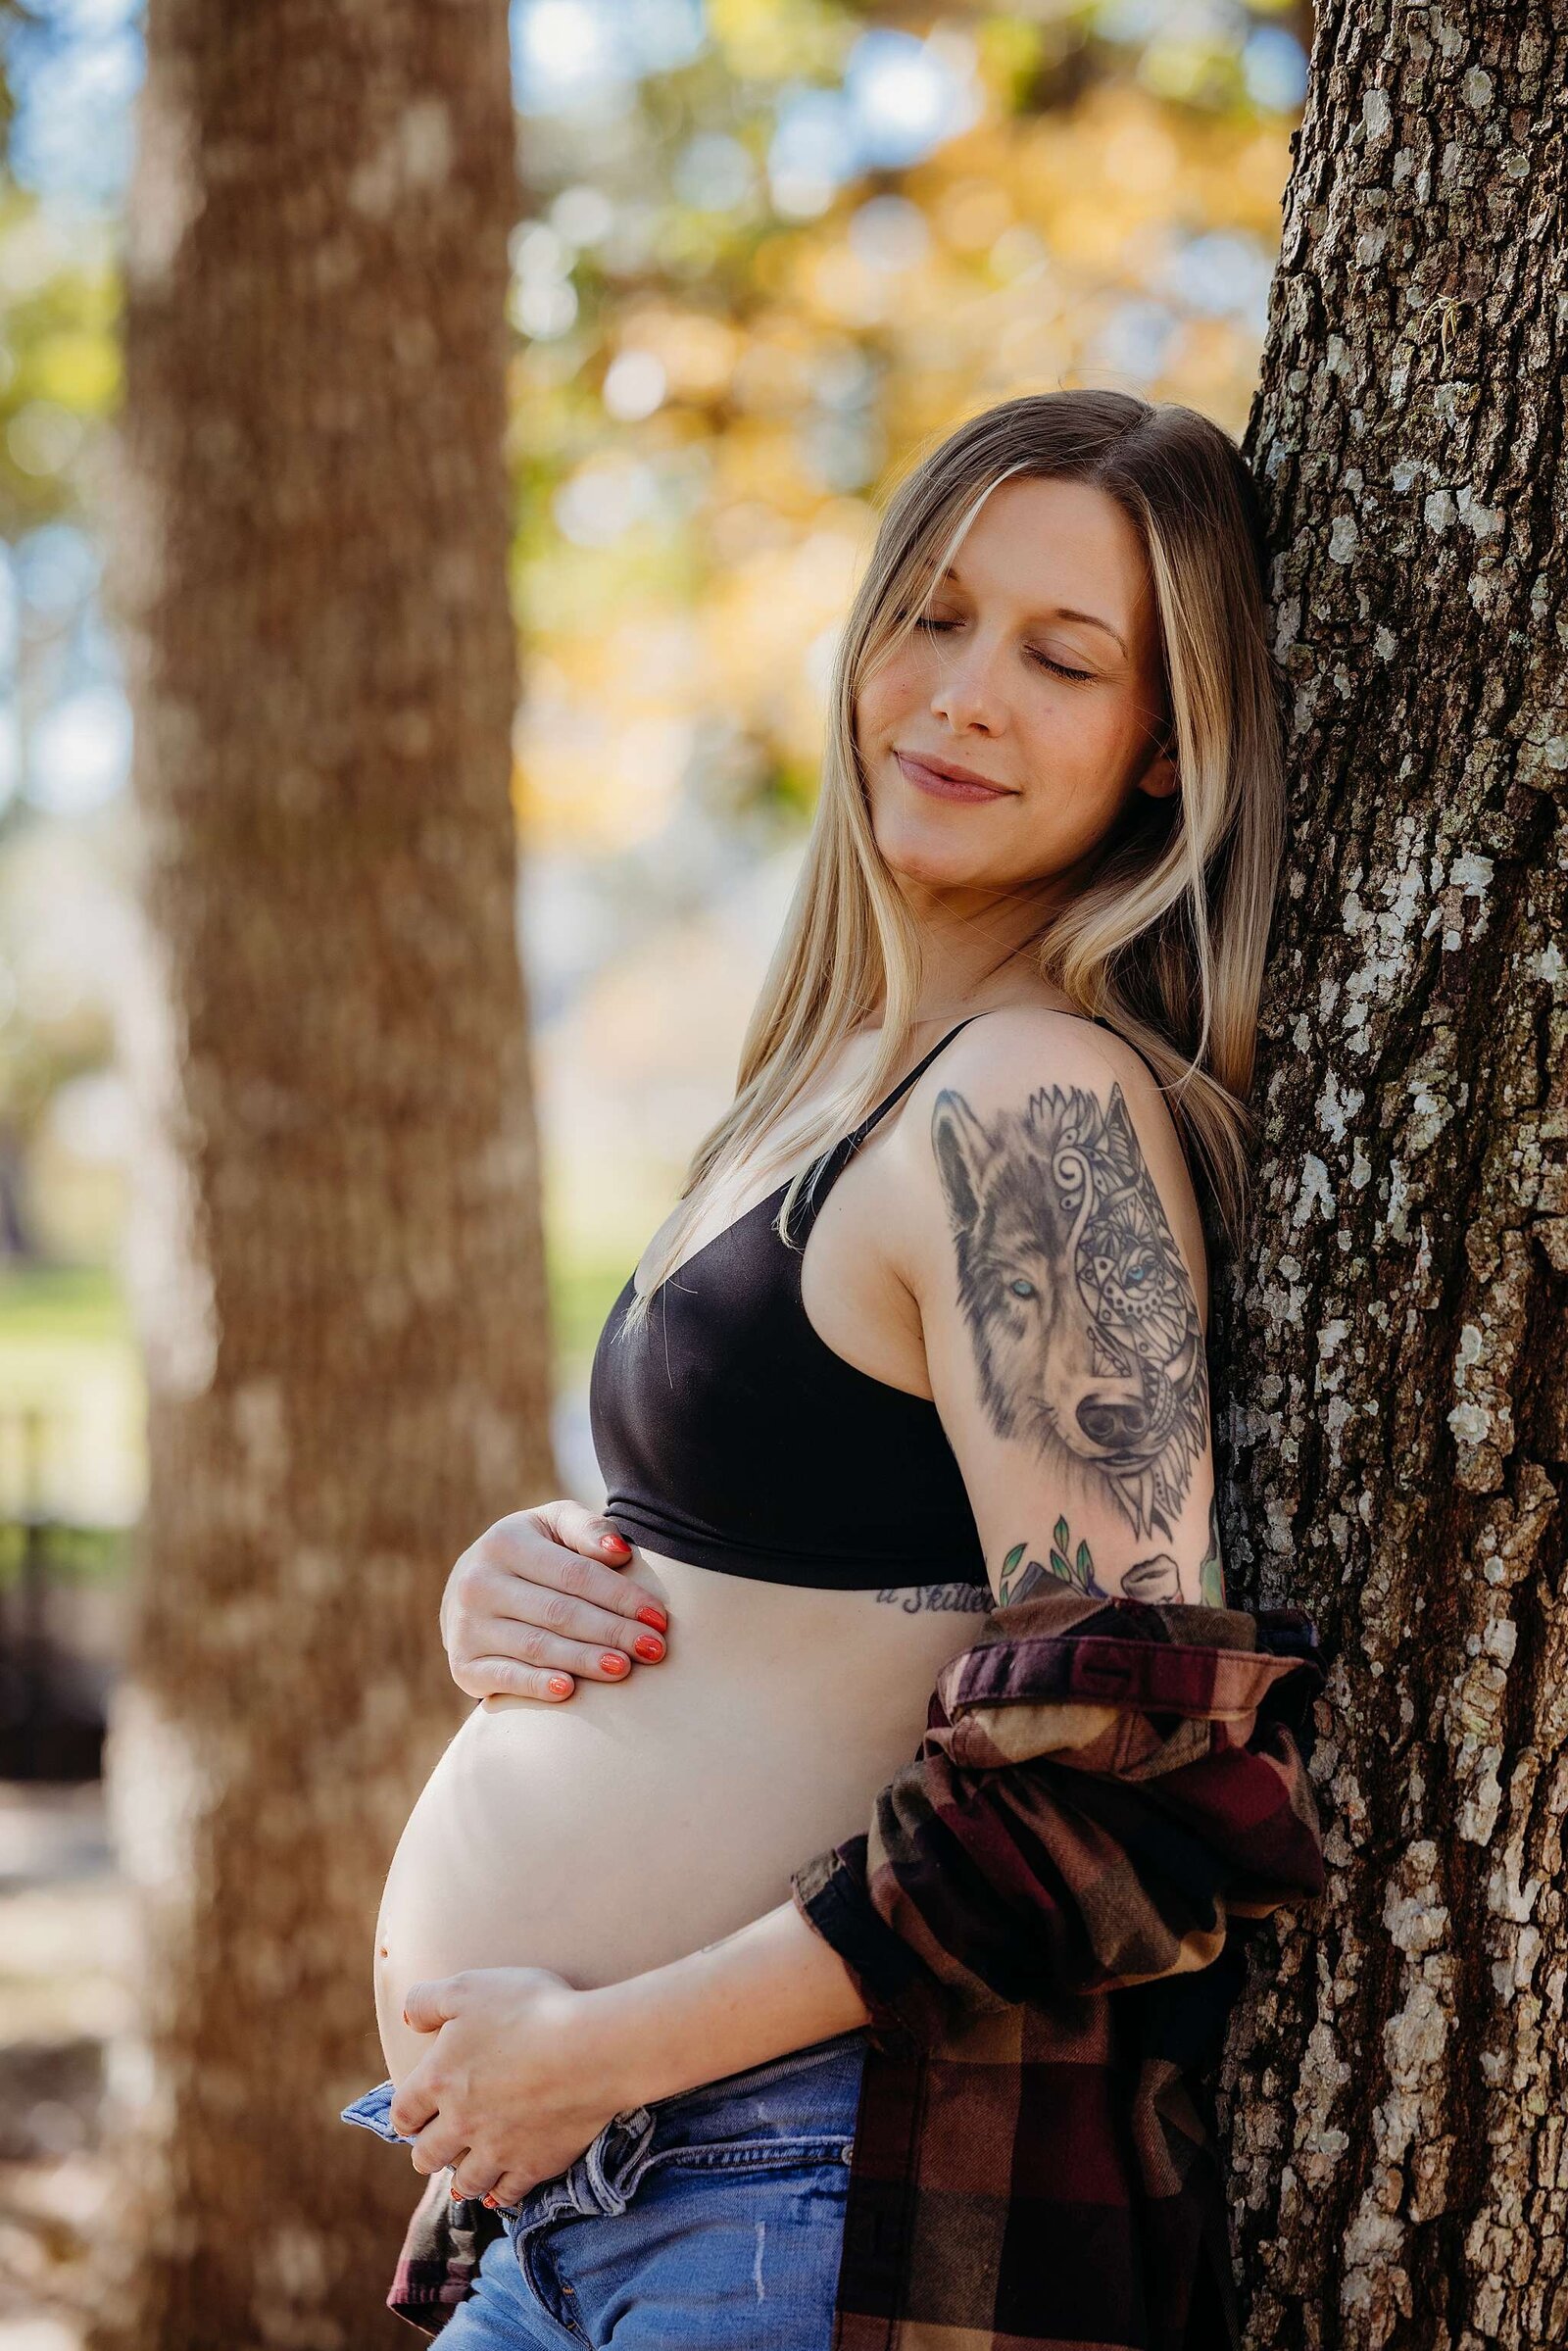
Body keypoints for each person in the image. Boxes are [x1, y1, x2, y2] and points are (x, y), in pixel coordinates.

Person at [339, 386, 1326, 2351]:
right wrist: (522, 1580)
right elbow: (778, 1571)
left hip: (800, 2200)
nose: (960, 694)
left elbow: (1130, 1771)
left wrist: (601, 2045)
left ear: (1160, 756)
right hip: (571, 2195)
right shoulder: (817, 1086)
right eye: (931, 617)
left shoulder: (1032, 1111)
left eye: (1060, 659)